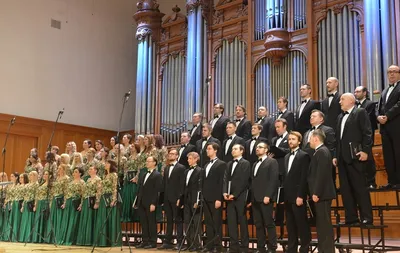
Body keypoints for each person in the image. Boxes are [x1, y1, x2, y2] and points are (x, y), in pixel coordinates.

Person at [333, 93, 373, 225]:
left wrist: (366, 151)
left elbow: (367, 133)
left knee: (360, 188)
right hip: (342, 158)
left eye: (342, 99)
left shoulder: (360, 112)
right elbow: (338, 140)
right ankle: (351, 217)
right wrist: (335, 156)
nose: (340, 102)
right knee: (346, 189)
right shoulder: (339, 117)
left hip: (356, 156)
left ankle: (366, 217)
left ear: (351, 101)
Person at [283, 132, 311, 253]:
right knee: (290, 225)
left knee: (302, 224)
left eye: (293, 139)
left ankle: (305, 248)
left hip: (298, 196)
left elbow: (304, 178)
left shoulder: (304, 155)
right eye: (289, 139)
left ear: (299, 141)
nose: (290, 141)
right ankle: (292, 249)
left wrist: (301, 195)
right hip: (288, 197)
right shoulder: (286, 157)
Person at [308, 130, 336, 253]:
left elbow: (322, 174)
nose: (308, 142)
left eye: (309, 139)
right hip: (321, 194)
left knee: (325, 224)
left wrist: (316, 192)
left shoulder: (322, 152)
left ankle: (327, 250)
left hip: (322, 194)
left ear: (315, 139)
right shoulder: (319, 152)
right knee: (321, 224)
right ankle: (323, 250)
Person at [249, 142, 279, 253]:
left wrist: (268, 195)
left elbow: (273, 180)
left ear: (266, 150)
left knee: (268, 223)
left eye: (260, 147)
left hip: (265, 197)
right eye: (257, 147)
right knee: (258, 224)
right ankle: (261, 247)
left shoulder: (272, 162)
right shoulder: (255, 163)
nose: (257, 149)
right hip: (255, 198)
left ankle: (272, 247)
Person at [223, 144, 251, 253]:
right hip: (229, 197)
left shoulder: (246, 163)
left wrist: (234, 194)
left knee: (242, 222)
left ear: (241, 151)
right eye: (232, 149)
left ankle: (244, 247)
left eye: (235, 149)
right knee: (231, 222)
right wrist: (225, 192)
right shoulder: (229, 164)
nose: (233, 151)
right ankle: (233, 246)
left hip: (240, 197)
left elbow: (244, 181)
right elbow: (225, 179)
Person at [201, 143, 227, 253]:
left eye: (209, 149)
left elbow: (221, 182)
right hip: (206, 198)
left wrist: (218, 199)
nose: (207, 151)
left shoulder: (221, 164)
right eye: (207, 149)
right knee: (208, 223)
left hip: (215, 198)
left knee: (216, 222)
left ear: (215, 150)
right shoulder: (206, 165)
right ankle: (209, 245)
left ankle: (218, 245)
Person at [377, 65, 400, 189]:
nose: (391, 74)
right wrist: (378, 117)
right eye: (389, 72)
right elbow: (379, 107)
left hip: (397, 126)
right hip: (385, 128)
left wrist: (387, 116)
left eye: (394, 72)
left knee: (398, 153)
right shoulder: (385, 90)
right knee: (388, 155)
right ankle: (392, 181)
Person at [159, 149, 186, 249]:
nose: (170, 155)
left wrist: (180, 197)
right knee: (169, 220)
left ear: (177, 156)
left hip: (176, 198)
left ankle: (180, 242)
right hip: (167, 198)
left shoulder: (181, 167)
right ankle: (167, 241)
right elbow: (164, 184)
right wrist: (162, 199)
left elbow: (182, 184)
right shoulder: (166, 168)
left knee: (178, 220)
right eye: (169, 154)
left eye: (173, 154)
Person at [135, 156, 163, 249]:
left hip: (150, 202)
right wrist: (137, 201)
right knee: (143, 222)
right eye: (146, 161)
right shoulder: (143, 174)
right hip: (142, 201)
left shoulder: (157, 175)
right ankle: (145, 240)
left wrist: (153, 203)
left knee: (151, 222)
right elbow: (140, 188)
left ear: (154, 163)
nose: (147, 163)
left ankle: (152, 241)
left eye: (149, 161)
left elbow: (157, 190)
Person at [354, 86, 378, 188]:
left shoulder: (370, 104)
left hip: (366, 135)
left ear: (364, 93)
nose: (356, 94)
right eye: (355, 92)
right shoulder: (354, 106)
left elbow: (367, 119)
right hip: (356, 136)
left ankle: (371, 182)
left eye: (358, 91)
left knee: (369, 158)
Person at [94, 160, 121, 246]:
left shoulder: (114, 175)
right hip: (103, 199)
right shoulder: (105, 175)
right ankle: (103, 241)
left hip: (110, 198)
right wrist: (98, 200)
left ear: (111, 165)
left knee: (110, 218)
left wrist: (114, 199)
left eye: (107, 163)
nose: (105, 165)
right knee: (103, 218)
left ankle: (112, 240)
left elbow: (114, 188)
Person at [76, 166, 102, 246]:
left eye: (91, 169)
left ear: (96, 170)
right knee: (85, 219)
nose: (89, 170)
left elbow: (99, 191)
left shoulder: (98, 179)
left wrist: (97, 202)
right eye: (89, 169)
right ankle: (84, 239)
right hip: (85, 200)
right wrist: (81, 203)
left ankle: (90, 240)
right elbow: (84, 192)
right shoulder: (88, 180)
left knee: (91, 219)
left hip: (92, 200)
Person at [181, 152, 202, 251]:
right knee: (187, 222)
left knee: (196, 223)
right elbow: (184, 187)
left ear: (196, 159)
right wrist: (181, 200)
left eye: (190, 158)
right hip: (186, 200)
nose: (188, 160)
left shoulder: (200, 170)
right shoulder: (186, 171)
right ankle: (189, 244)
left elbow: (199, 187)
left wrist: (197, 201)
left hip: (194, 200)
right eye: (188, 158)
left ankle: (196, 244)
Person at [59, 167, 85, 245]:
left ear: (80, 173)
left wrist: (81, 204)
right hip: (69, 202)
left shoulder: (82, 182)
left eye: (76, 172)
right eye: (73, 172)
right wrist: (64, 203)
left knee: (73, 220)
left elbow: (83, 194)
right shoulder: (70, 182)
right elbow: (67, 194)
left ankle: (72, 239)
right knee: (67, 220)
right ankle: (65, 238)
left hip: (75, 202)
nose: (74, 173)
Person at [47, 164, 70, 243]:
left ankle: (58, 236)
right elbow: (53, 190)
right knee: (53, 217)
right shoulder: (56, 178)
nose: (58, 170)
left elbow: (66, 190)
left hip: (60, 198)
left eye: (60, 168)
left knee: (59, 216)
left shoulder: (66, 178)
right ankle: (52, 237)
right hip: (54, 198)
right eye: (58, 168)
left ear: (64, 169)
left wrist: (65, 201)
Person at [19, 171, 39, 243]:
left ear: (35, 176)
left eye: (32, 175)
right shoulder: (27, 185)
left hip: (31, 203)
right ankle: (23, 237)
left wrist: (35, 205)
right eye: (29, 175)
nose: (30, 176)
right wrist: (22, 206)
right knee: (24, 220)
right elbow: (24, 196)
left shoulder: (36, 185)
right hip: (26, 202)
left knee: (30, 220)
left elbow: (37, 195)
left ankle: (29, 237)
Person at [32, 170, 50, 243]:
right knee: (38, 220)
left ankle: (43, 238)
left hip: (45, 202)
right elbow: (37, 195)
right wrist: (35, 204)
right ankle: (37, 238)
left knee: (44, 219)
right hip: (39, 202)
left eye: (47, 174)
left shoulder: (50, 184)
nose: (45, 175)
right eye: (44, 174)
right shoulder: (42, 183)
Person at [2, 172, 19, 241]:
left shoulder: (18, 185)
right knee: (7, 219)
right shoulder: (9, 185)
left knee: (12, 219)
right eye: (11, 176)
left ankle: (11, 235)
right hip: (7, 203)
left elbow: (16, 195)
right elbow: (6, 194)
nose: (11, 178)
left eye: (12, 176)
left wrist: (12, 202)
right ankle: (6, 235)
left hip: (13, 203)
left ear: (16, 177)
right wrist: (5, 202)